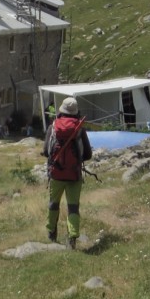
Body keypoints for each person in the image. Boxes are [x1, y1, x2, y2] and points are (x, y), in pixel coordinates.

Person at [42, 97, 92, 250]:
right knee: (73, 206)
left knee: (53, 203)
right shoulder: (79, 129)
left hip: (56, 173)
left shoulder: (53, 127)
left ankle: (51, 232)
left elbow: (46, 151)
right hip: (74, 174)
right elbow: (88, 154)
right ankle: (72, 237)